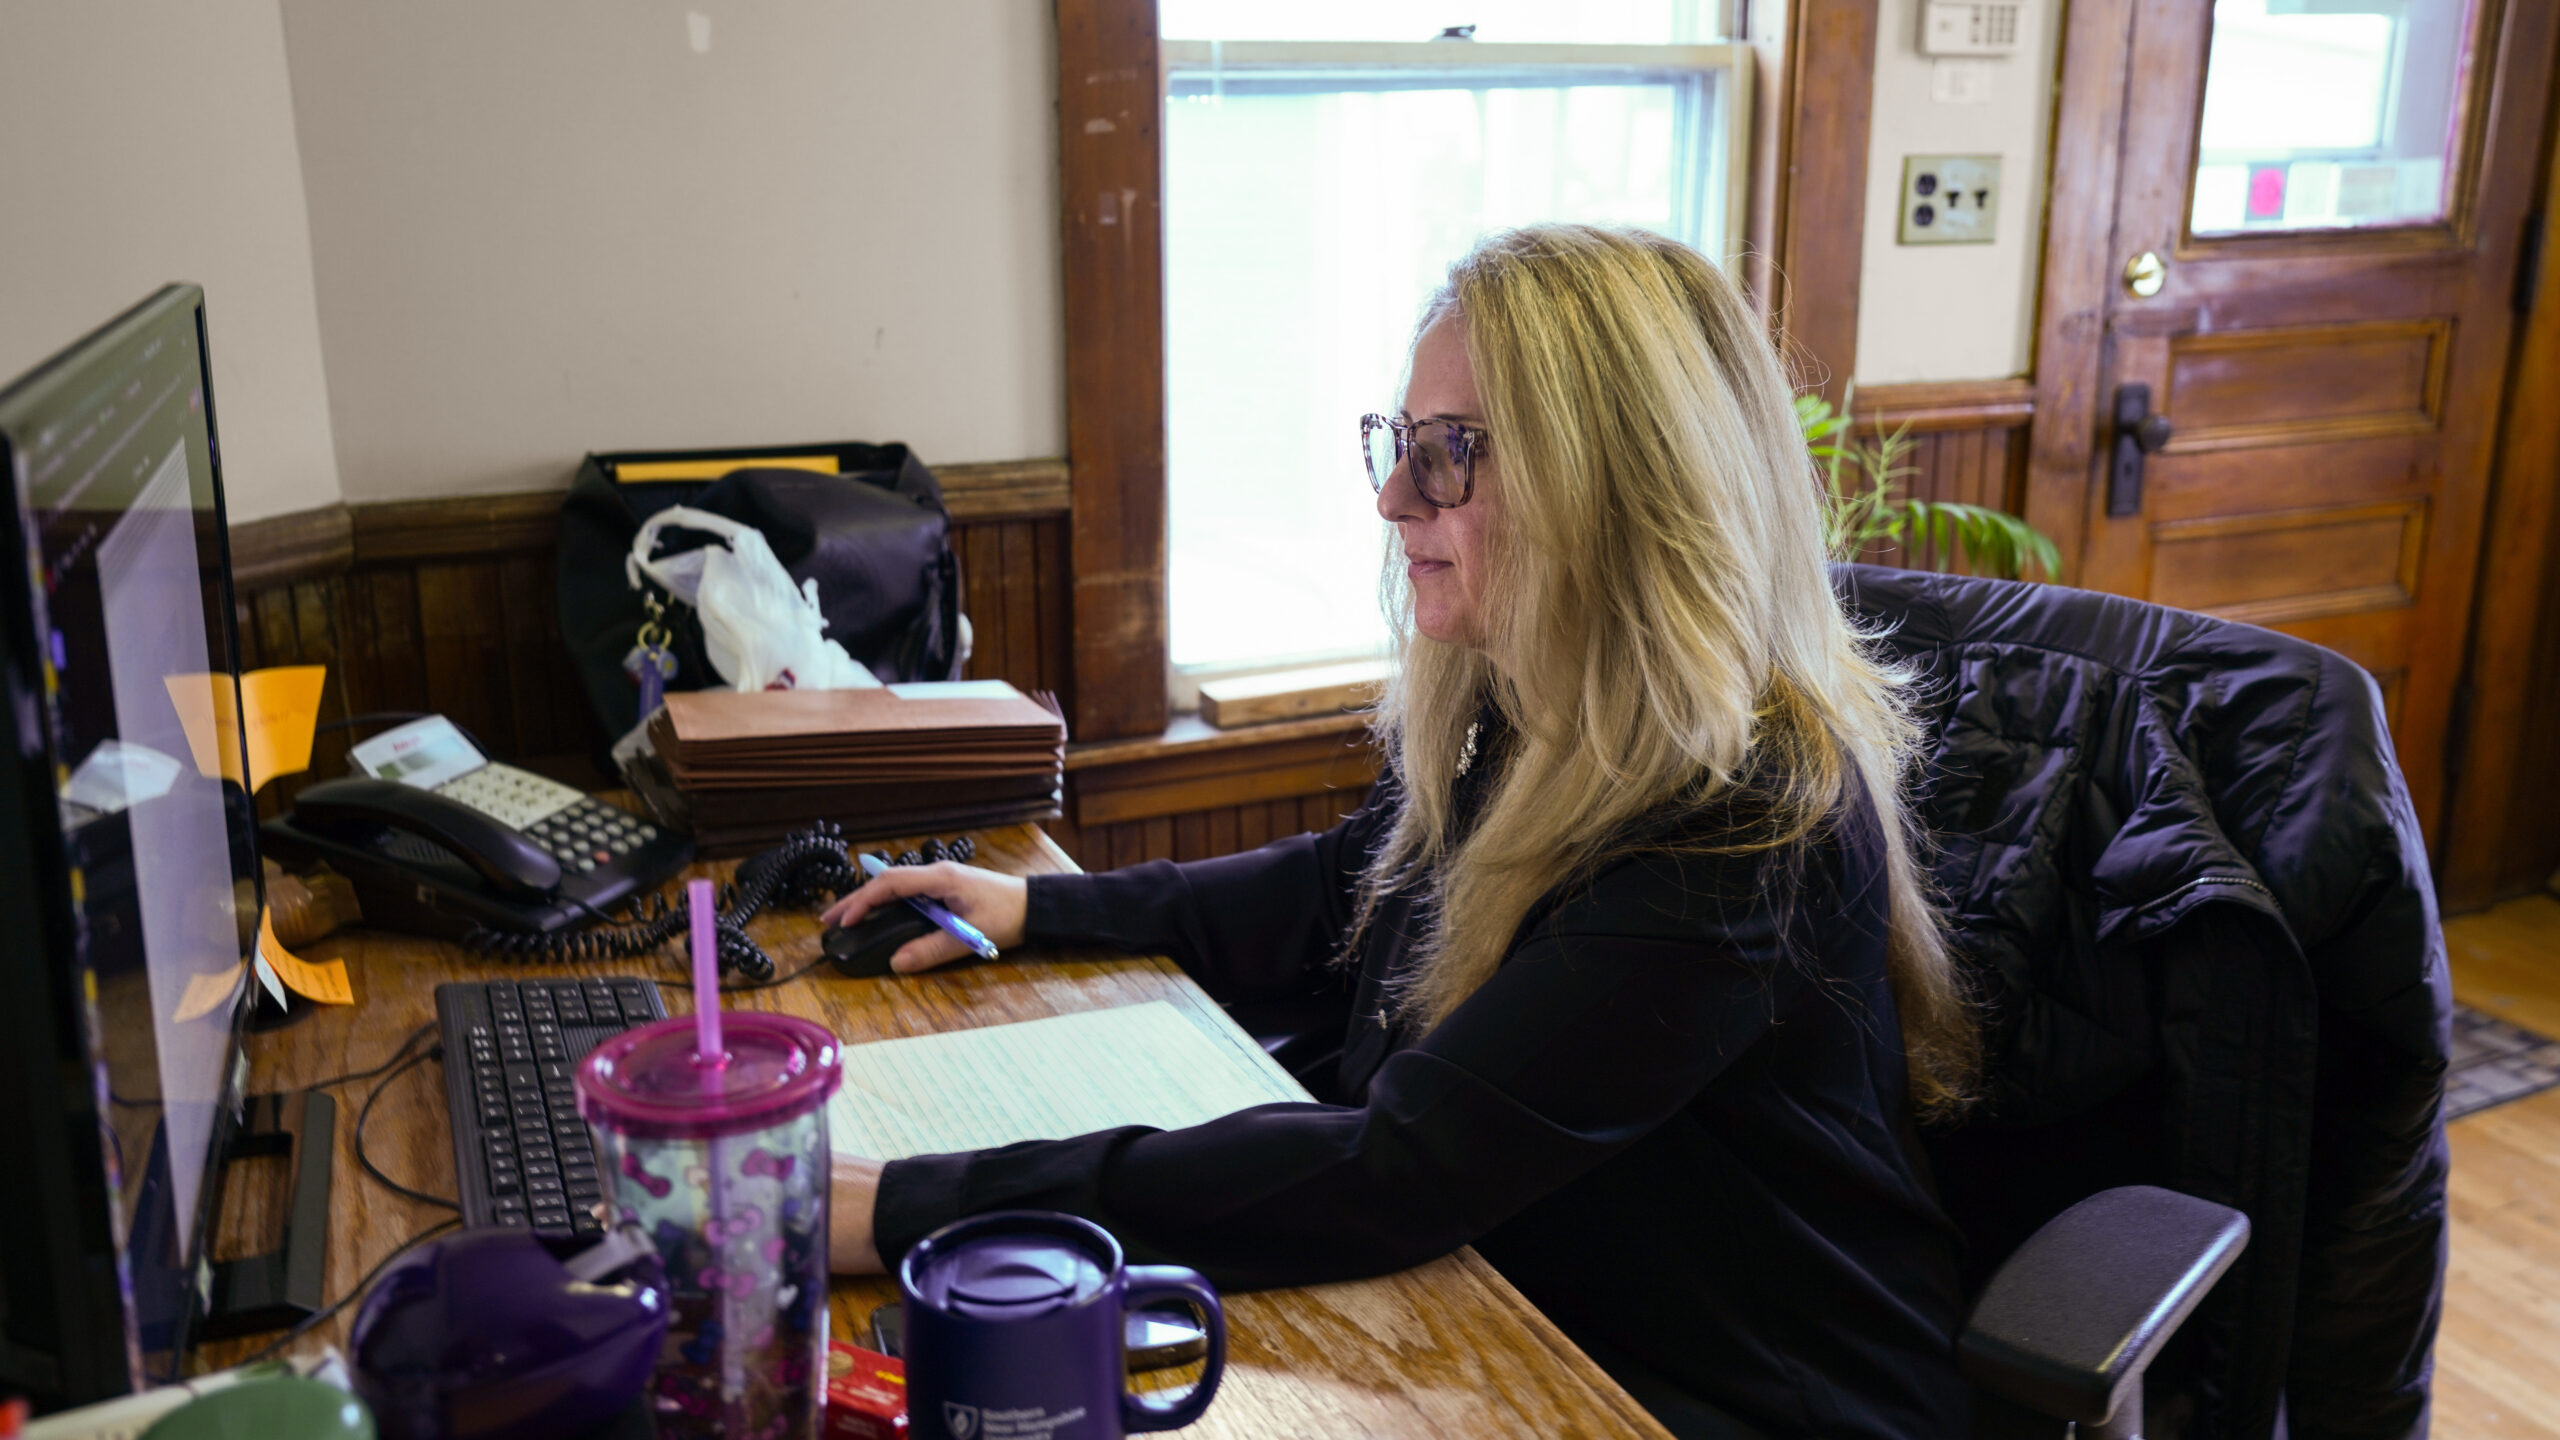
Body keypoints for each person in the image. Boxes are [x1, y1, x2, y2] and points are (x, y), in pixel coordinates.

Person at [820, 224, 1979, 1440]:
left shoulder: (1742, 824)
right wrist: (1041, 907)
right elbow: (1349, 888)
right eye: (1401, 445)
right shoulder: (1530, 706)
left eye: (1449, 455)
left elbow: (1398, 1172)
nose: (1390, 499)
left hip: (1731, 1391)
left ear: (1618, 482)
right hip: (1515, 1307)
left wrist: (906, 1208)